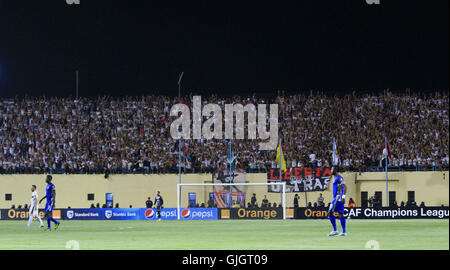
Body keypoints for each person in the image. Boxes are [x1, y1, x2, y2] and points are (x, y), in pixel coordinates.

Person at [327, 166, 347, 236]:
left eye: (331, 169)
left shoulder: (339, 177)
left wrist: (344, 196)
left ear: (335, 170)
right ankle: (344, 232)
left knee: (329, 212)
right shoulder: (336, 178)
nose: (330, 170)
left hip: (338, 199)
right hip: (339, 198)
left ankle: (335, 230)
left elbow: (345, 186)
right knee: (340, 214)